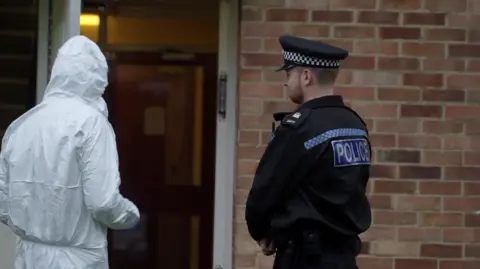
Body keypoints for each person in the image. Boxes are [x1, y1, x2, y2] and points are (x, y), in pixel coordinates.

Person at [0, 35, 140, 269]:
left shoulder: (21, 126)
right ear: (97, 79)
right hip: (78, 260)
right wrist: (130, 216)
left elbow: (4, 202)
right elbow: (103, 202)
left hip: (28, 258)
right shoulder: (92, 123)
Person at [245, 35, 372, 269]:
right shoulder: (355, 126)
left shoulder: (300, 128)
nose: (286, 82)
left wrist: (262, 231)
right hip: (344, 257)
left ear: (306, 76)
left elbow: (266, 189)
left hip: (304, 257)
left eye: (288, 74)